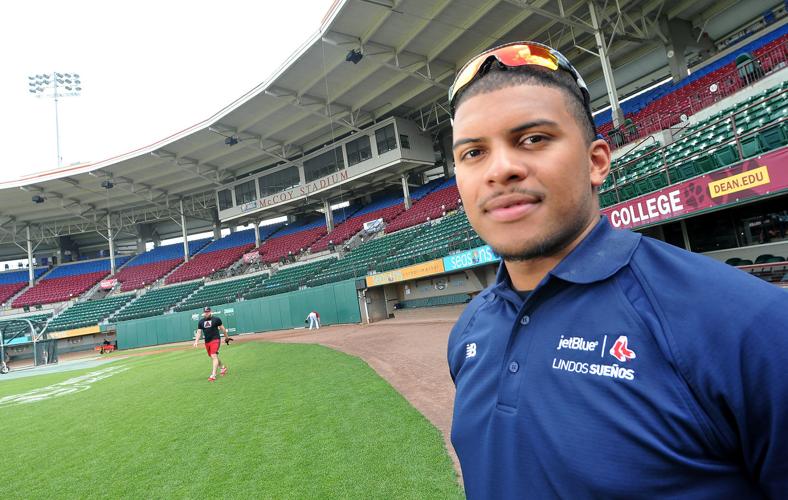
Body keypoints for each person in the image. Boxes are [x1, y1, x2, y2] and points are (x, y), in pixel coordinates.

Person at [446, 41, 788, 498]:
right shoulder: (469, 329)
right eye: (473, 153)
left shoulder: (750, 323)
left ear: (596, 162)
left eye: (533, 139)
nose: (500, 169)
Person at [193, 307, 230, 382]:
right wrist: (196, 341)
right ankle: (223, 367)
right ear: (204, 313)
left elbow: (223, 329)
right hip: (207, 341)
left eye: (208, 311)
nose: (207, 313)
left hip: (215, 339)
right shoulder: (201, 322)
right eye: (206, 312)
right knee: (213, 356)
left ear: (210, 312)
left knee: (213, 356)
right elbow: (199, 332)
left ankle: (213, 375)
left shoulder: (216, 319)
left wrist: (226, 337)